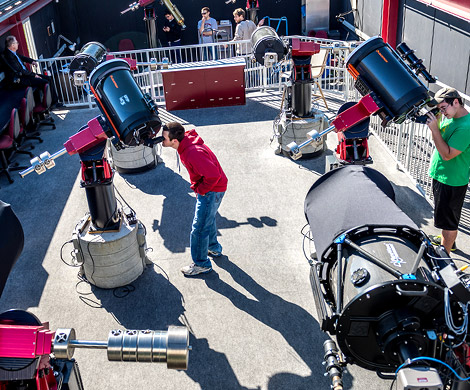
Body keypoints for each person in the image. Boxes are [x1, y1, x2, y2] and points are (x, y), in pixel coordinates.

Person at [161, 122, 228, 277]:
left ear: (175, 141)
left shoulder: (192, 152)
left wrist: (200, 190)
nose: (161, 141)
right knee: (208, 219)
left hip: (211, 190)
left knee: (198, 229)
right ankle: (213, 247)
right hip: (214, 188)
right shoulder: (186, 144)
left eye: (164, 138)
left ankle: (201, 264)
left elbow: (213, 175)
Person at [426, 87, 470, 254]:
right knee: (447, 219)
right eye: (440, 109)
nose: (442, 112)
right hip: (442, 176)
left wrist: (435, 129)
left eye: (443, 108)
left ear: (456, 102)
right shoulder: (450, 117)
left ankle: (445, 258)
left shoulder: (466, 127)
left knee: (449, 222)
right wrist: (436, 126)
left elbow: (448, 155)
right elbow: (440, 141)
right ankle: (448, 241)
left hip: (451, 180)